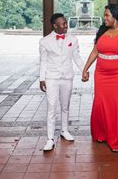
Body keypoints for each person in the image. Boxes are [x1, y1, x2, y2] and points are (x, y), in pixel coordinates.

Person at [81, 4, 118, 152]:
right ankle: (102, 134)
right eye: (104, 15)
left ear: (115, 16)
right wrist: (85, 68)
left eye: (107, 15)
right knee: (100, 103)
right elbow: (95, 52)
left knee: (116, 104)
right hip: (101, 73)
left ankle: (117, 140)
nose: (104, 18)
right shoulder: (102, 31)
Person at [39, 13, 87, 151]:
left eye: (66, 23)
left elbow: (76, 57)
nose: (66, 25)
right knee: (51, 107)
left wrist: (84, 70)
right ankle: (50, 139)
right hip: (51, 78)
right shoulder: (44, 41)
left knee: (65, 106)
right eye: (63, 23)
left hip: (67, 77)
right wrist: (42, 79)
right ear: (55, 25)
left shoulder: (73, 39)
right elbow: (43, 61)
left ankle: (64, 130)